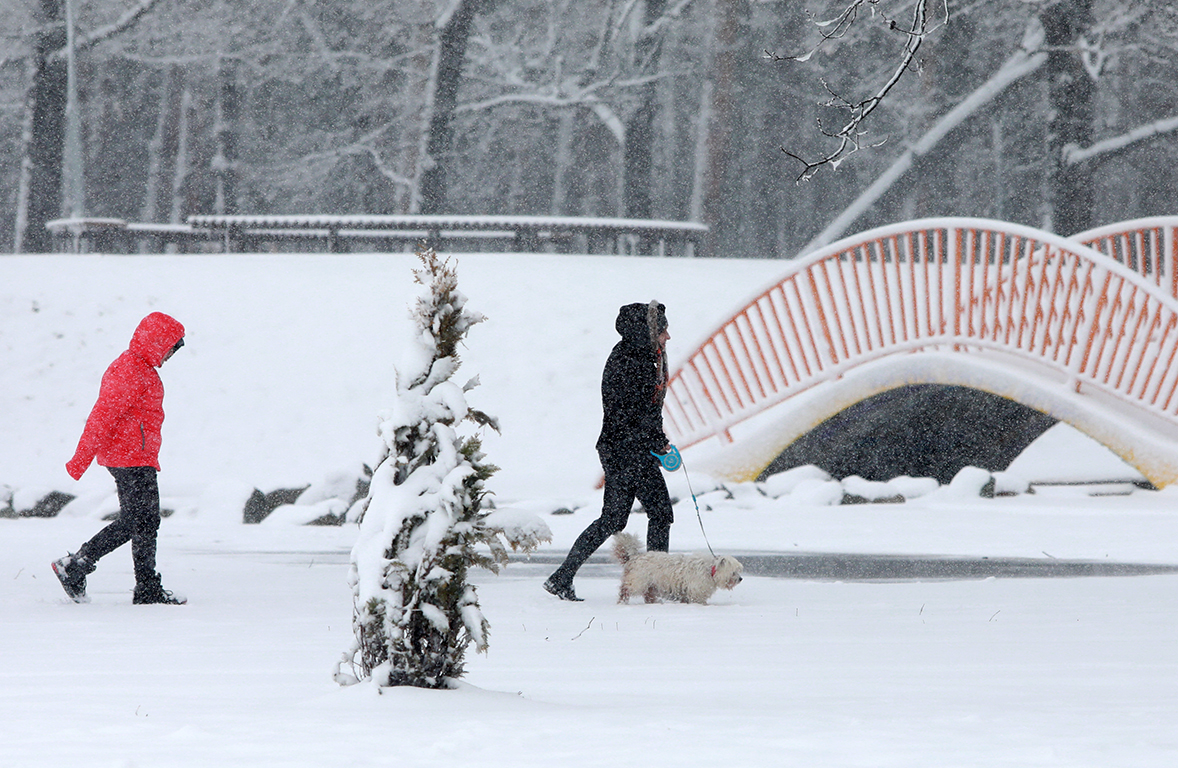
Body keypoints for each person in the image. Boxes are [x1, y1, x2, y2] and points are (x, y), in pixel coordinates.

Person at [52, 312, 187, 605]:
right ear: (158, 342)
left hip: (135, 457)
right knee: (142, 520)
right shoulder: (131, 369)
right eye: (170, 348)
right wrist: (80, 459)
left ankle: (130, 582)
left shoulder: (138, 368)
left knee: (139, 521)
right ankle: (81, 566)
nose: (169, 356)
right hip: (131, 459)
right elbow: (103, 415)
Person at [544, 301, 674, 601]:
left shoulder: (632, 354)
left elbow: (643, 411)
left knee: (613, 519)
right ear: (650, 330)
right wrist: (653, 440)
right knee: (660, 513)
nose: (668, 337)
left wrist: (655, 438)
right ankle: (654, 584)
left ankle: (562, 577)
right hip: (630, 452)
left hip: (622, 450)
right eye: (664, 330)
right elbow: (635, 412)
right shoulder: (634, 360)